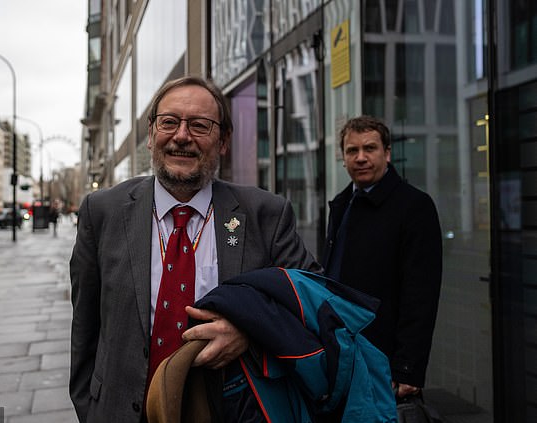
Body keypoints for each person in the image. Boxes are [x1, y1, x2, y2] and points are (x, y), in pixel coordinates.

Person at [69, 75, 322, 423]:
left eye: (199, 125)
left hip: (233, 412)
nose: (182, 136)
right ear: (150, 134)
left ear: (223, 141)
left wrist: (249, 332)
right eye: (169, 122)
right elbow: (85, 328)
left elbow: (312, 303)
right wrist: (90, 409)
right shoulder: (101, 212)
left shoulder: (266, 214)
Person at [322, 115, 442, 400]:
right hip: (341, 352)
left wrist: (407, 367)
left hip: (384, 360)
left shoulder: (414, 206)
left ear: (387, 153)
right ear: (343, 158)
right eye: (352, 150)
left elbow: (421, 295)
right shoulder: (341, 204)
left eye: (370, 148)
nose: (361, 158)